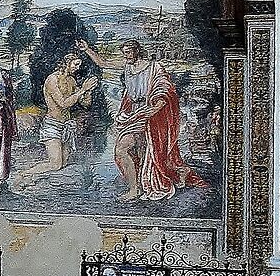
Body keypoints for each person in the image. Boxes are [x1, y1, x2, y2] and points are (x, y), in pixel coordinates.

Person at [111, 41, 203, 202]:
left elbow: (165, 89)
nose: (125, 56)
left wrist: (152, 110)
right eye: (124, 52)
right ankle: (136, 186)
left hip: (150, 116)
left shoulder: (154, 68)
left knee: (137, 151)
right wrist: (88, 50)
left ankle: (137, 188)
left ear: (137, 51)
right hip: (133, 114)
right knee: (128, 150)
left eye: (128, 52)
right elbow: (105, 63)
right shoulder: (128, 67)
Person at [10, 50, 100, 192]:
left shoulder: (71, 80)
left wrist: (88, 92)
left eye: (79, 65)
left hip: (65, 126)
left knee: (63, 162)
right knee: (55, 164)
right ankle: (23, 174)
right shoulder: (52, 80)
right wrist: (82, 90)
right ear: (66, 63)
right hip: (52, 125)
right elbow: (63, 103)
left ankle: (32, 178)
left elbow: (85, 104)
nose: (77, 68)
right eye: (75, 64)